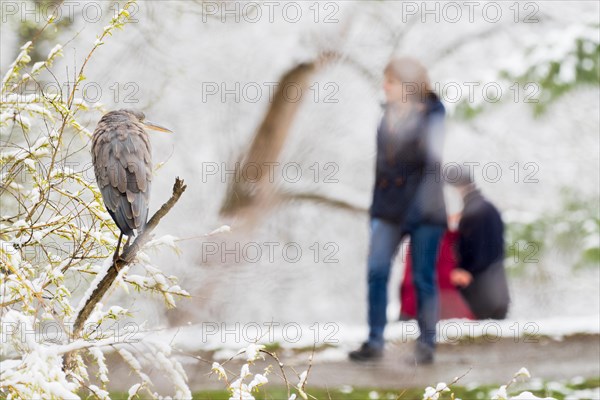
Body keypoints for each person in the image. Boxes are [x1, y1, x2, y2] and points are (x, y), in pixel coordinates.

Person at [349, 57, 447, 364]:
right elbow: (382, 167)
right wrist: (376, 211)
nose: (384, 86)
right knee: (376, 270)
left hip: (424, 211)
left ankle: (426, 344)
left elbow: (430, 161)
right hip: (387, 210)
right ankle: (374, 341)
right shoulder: (386, 116)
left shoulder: (433, 114)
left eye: (390, 81)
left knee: (422, 278)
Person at [449, 170, 510, 320]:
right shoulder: (489, 208)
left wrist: (460, 271)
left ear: (458, 188)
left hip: (480, 295)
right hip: (498, 292)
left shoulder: (471, 214)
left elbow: (471, 254)